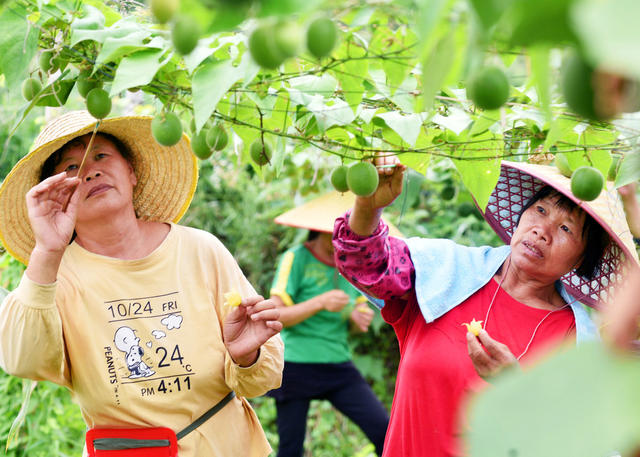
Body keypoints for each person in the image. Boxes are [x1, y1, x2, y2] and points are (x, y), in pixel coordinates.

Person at [0, 111, 284, 457]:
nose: (90, 171)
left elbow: (262, 380)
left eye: (101, 155)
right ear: (57, 195)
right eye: (71, 168)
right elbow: (21, 362)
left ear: (132, 171)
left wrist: (246, 356)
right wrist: (46, 251)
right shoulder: (54, 276)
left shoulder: (199, 250)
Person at [332, 155, 639, 457]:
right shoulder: (445, 274)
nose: (541, 231)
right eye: (540, 210)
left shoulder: (577, 344)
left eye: (566, 229)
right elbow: (367, 265)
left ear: (584, 260)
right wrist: (367, 207)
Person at [267, 192, 392, 457]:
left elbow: (358, 311)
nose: (345, 240)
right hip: (295, 364)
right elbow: (275, 316)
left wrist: (358, 318)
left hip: (338, 365)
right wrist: (319, 302)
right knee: (290, 450)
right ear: (325, 230)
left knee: (385, 433)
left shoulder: (352, 266)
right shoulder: (296, 258)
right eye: (341, 233)